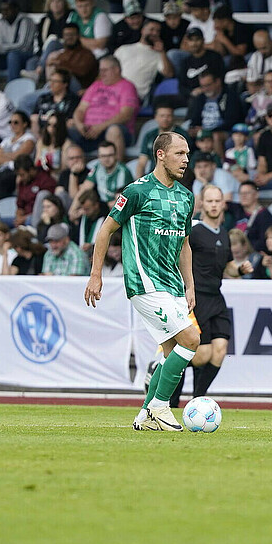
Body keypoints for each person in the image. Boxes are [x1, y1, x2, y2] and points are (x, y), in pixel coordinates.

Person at [84, 132, 198, 432]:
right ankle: (161, 407)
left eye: (187, 154)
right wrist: (96, 274)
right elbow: (106, 230)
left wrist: (190, 284)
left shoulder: (186, 196)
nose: (186, 159)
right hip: (144, 282)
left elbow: (184, 244)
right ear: (160, 155)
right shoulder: (137, 191)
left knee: (171, 348)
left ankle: (146, 414)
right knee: (191, 339)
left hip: (173, 284)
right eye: (179, 153)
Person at [168, 185, 252, 407]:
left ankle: (197, 400)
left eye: (218, 201)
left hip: (216, 296)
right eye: (210, 201)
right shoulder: (193, 230)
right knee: (201, 355)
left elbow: (228, 267)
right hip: (196, 298)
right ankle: (164, 376)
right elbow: (177, 256)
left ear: (223, 204)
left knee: (220, 350)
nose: (214, 205)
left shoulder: (224, 234)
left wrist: (240, 270)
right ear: (202, 204)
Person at [66, 56, 138, 155]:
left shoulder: (127, 87)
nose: (101, 74)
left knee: (114, 130)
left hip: (113, 131)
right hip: (88, 131)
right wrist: (79, 124)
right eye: (100, 70)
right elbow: (80, 110)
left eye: (105, 70)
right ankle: (68, 169)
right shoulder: (95, 85)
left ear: (116, 70)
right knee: (63, 128)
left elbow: (126, 114)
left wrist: (100, 127)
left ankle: (117, 169)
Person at [114, 19, 173, 102]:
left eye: (158, 31)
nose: (155, 33)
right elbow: (110, 69)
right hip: (115, 91)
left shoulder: (158, 55)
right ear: (143, 30)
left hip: (135, 96)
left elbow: (169, 74)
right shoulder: (123, 49)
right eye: (151, 29)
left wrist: (162, 52)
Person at [0, 0, 36, 81]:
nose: (4, 13)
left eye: (7, 9)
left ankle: (12, 86)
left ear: (16, 9)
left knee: (13, 55)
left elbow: (24, 46)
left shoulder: (26, 21)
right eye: (2, 10)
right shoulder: (0, 23)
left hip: (25, 57)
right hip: (5, 56)